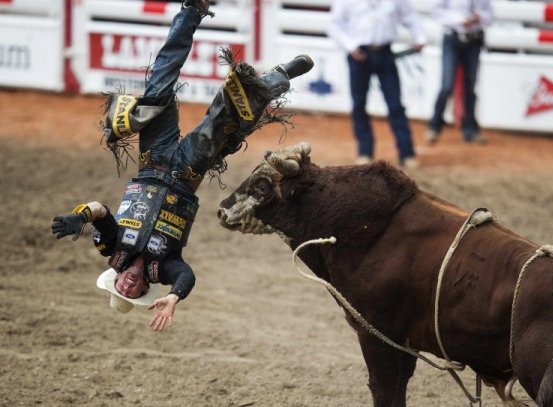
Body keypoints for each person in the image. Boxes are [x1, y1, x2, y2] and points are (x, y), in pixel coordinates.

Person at [51, 0, 313, 331]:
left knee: (159, 85)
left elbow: (100, 210)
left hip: (153, 158)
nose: (129, 286)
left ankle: (192, 10)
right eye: (133, 292)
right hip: (188, 170)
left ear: (116, 278)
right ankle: (279, 76)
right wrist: (175, 296)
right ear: (145, 290)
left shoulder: (112, 247)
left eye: (122, 287)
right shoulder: (166, 267)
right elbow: (187, 276)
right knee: (225, 117)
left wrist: (80, 215)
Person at [327, 0, 427, 169]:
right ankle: (364, 152)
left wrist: (420, 36)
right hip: (359, 54)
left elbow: (410, 16)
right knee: (359, 104)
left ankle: (407, 153)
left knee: (395, 104)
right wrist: (350, 46)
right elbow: (334, 25)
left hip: (385, 53)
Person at [424, 0, 494, 145]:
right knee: (446, 85)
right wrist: (460, 20)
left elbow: (490, 15)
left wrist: (479, 17)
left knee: (470, 85)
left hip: (473, 40)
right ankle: (434, 126)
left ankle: (469, 130)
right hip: (453, 38)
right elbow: (437, 12)